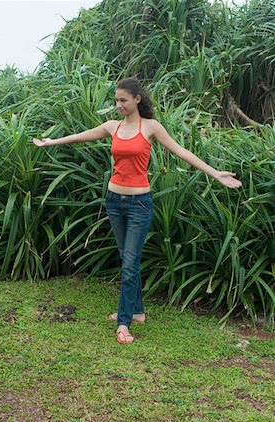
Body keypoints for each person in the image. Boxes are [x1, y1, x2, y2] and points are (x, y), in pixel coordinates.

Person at [33, 77, 242, 344]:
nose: (118, 105)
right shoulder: (113, 127)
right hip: (114, 200)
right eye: (116, 100)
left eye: (123, 100)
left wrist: (215, 174)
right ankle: (138, 312)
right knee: (126, 258)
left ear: (137, 100)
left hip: (139, 204)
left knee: (130, 263)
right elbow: (80, 137)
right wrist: (51, 142)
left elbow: (181, 151)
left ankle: (123, 323)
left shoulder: (151, 127)